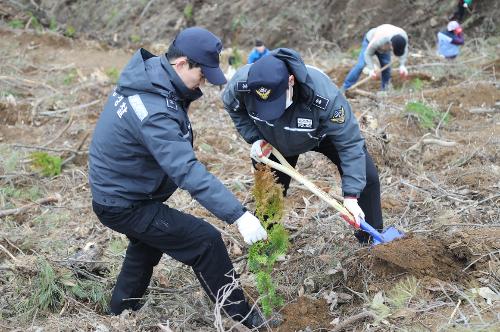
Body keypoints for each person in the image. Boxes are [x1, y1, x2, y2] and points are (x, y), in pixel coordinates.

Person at [88, 27, 268, 329]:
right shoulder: (153, 109)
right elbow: (185, 169)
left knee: (147, 243)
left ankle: (120, 312)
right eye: (202, 75)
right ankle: (246, 319)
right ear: (181, 63)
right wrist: (239, 215)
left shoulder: (151, 78)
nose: (204, 84)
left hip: (123, 192)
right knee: (205, 241)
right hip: (124, 202)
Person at [222, 48, 384, 244]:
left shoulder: (324, 97)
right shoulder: (241, 84)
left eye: (276, 102)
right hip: (272, 139)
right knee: (269, 188)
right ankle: (266, 243)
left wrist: (351, 195)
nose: (273, 109)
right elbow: (233, 107)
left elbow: (349, 143)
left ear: (291, 81)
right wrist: (254, 138)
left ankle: (371, 240)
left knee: (367, 178)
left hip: (321, 135)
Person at [341, 24, 409, 92]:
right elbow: (367, 54)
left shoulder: (404, 37)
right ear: (391, 45)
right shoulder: (380, 39)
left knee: (386, 66)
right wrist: (371, 69)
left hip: (385, 47)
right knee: (360, 65)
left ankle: (385, 91)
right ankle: (345, 88)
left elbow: (404, 50)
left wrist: (402, 65)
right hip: (370, 41)